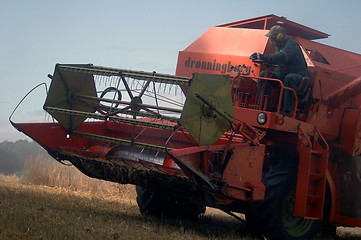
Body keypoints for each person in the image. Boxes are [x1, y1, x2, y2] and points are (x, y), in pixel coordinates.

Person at [250, 25, 308, 116]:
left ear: (279, 36)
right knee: (263, 75)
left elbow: (282, 57)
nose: (271, 40)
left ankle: (287, 111)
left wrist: (262, 56)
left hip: (298, 76)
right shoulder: (278, 47)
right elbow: (275, 59)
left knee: (289, 78)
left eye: (272, 37)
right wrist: (262, 59)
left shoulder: (291, 44)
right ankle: (262, 107)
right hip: (282, 76)